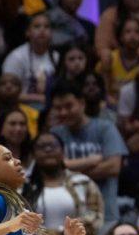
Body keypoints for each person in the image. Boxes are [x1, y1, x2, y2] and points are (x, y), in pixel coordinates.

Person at [51, 80, 127, 224]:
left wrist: (69, 171)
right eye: (58, 108)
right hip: (65, 218)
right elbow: (52, 169)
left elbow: (113, 167)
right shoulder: (54, 134)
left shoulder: (105, 128)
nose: (63, 112)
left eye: (68, 106)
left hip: (106, 213)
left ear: (82, 103)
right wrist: (91, 161)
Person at [2, 13, 58, 108]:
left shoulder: (56, 56)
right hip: (21, 108)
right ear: (27, 32)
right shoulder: (16, 57)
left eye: (46, 27)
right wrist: (39, 98)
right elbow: (7, 93)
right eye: (37, 26)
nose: (42, 30)